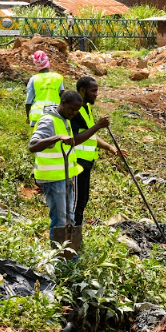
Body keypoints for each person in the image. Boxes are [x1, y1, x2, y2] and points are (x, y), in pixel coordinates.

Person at [28, 91, 84, 241]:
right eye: (72, 109)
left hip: (65, 177)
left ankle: (69, 254)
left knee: (69, 217)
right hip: (53, 179)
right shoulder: (48, 120)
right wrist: (58, 137)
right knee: (60, 220)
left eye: (77, 110)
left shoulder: (64, 119)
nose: (74, 113)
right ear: (63, 103)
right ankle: (58, 257)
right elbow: (33, 145)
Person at [71, 76, 121, 226]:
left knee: (83, 200)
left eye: (97, 91)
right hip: (77, 163)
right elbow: (74, 139)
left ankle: (76, 233)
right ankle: (72, 235)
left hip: (86, 163)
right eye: (93, 91)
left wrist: (110, 147)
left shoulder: (86, 108)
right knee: (77, 202)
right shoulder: (75, 111)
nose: (96, 94)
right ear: (82, 90)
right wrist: (98, 125)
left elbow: (90, 134)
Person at [26, 51, 65, 127]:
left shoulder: (33, 79)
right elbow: (63, 97)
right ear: (47, 61)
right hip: (54, 114)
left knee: (38, 138)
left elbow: (28, 102)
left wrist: (28, 116)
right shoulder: (57, 77)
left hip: (36, 116)